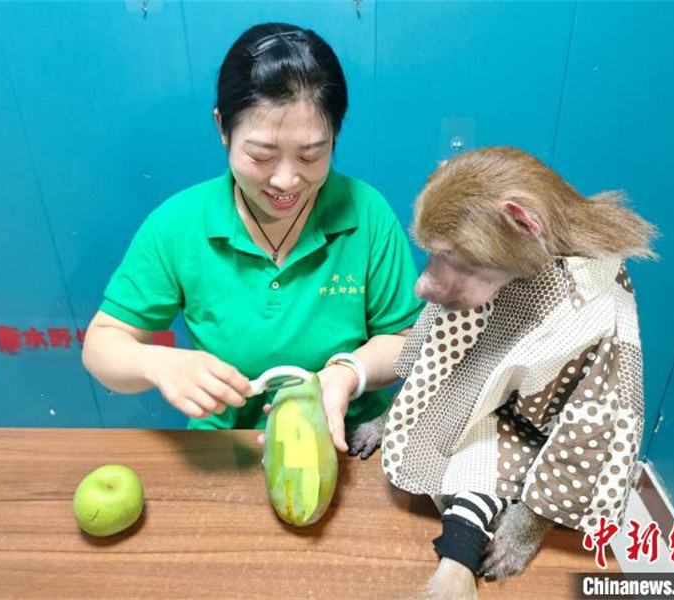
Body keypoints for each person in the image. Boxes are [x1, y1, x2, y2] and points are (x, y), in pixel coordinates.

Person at [82, 23, 423, 451]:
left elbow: (406, 342)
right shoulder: (179, 224)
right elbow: (102, 344)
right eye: (260, 155)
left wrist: (347, 373)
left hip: (351, 442)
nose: (286, 180)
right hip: (229, 449)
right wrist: (157, 363)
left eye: (311, 155)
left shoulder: (365, 212)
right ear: (223, 128)